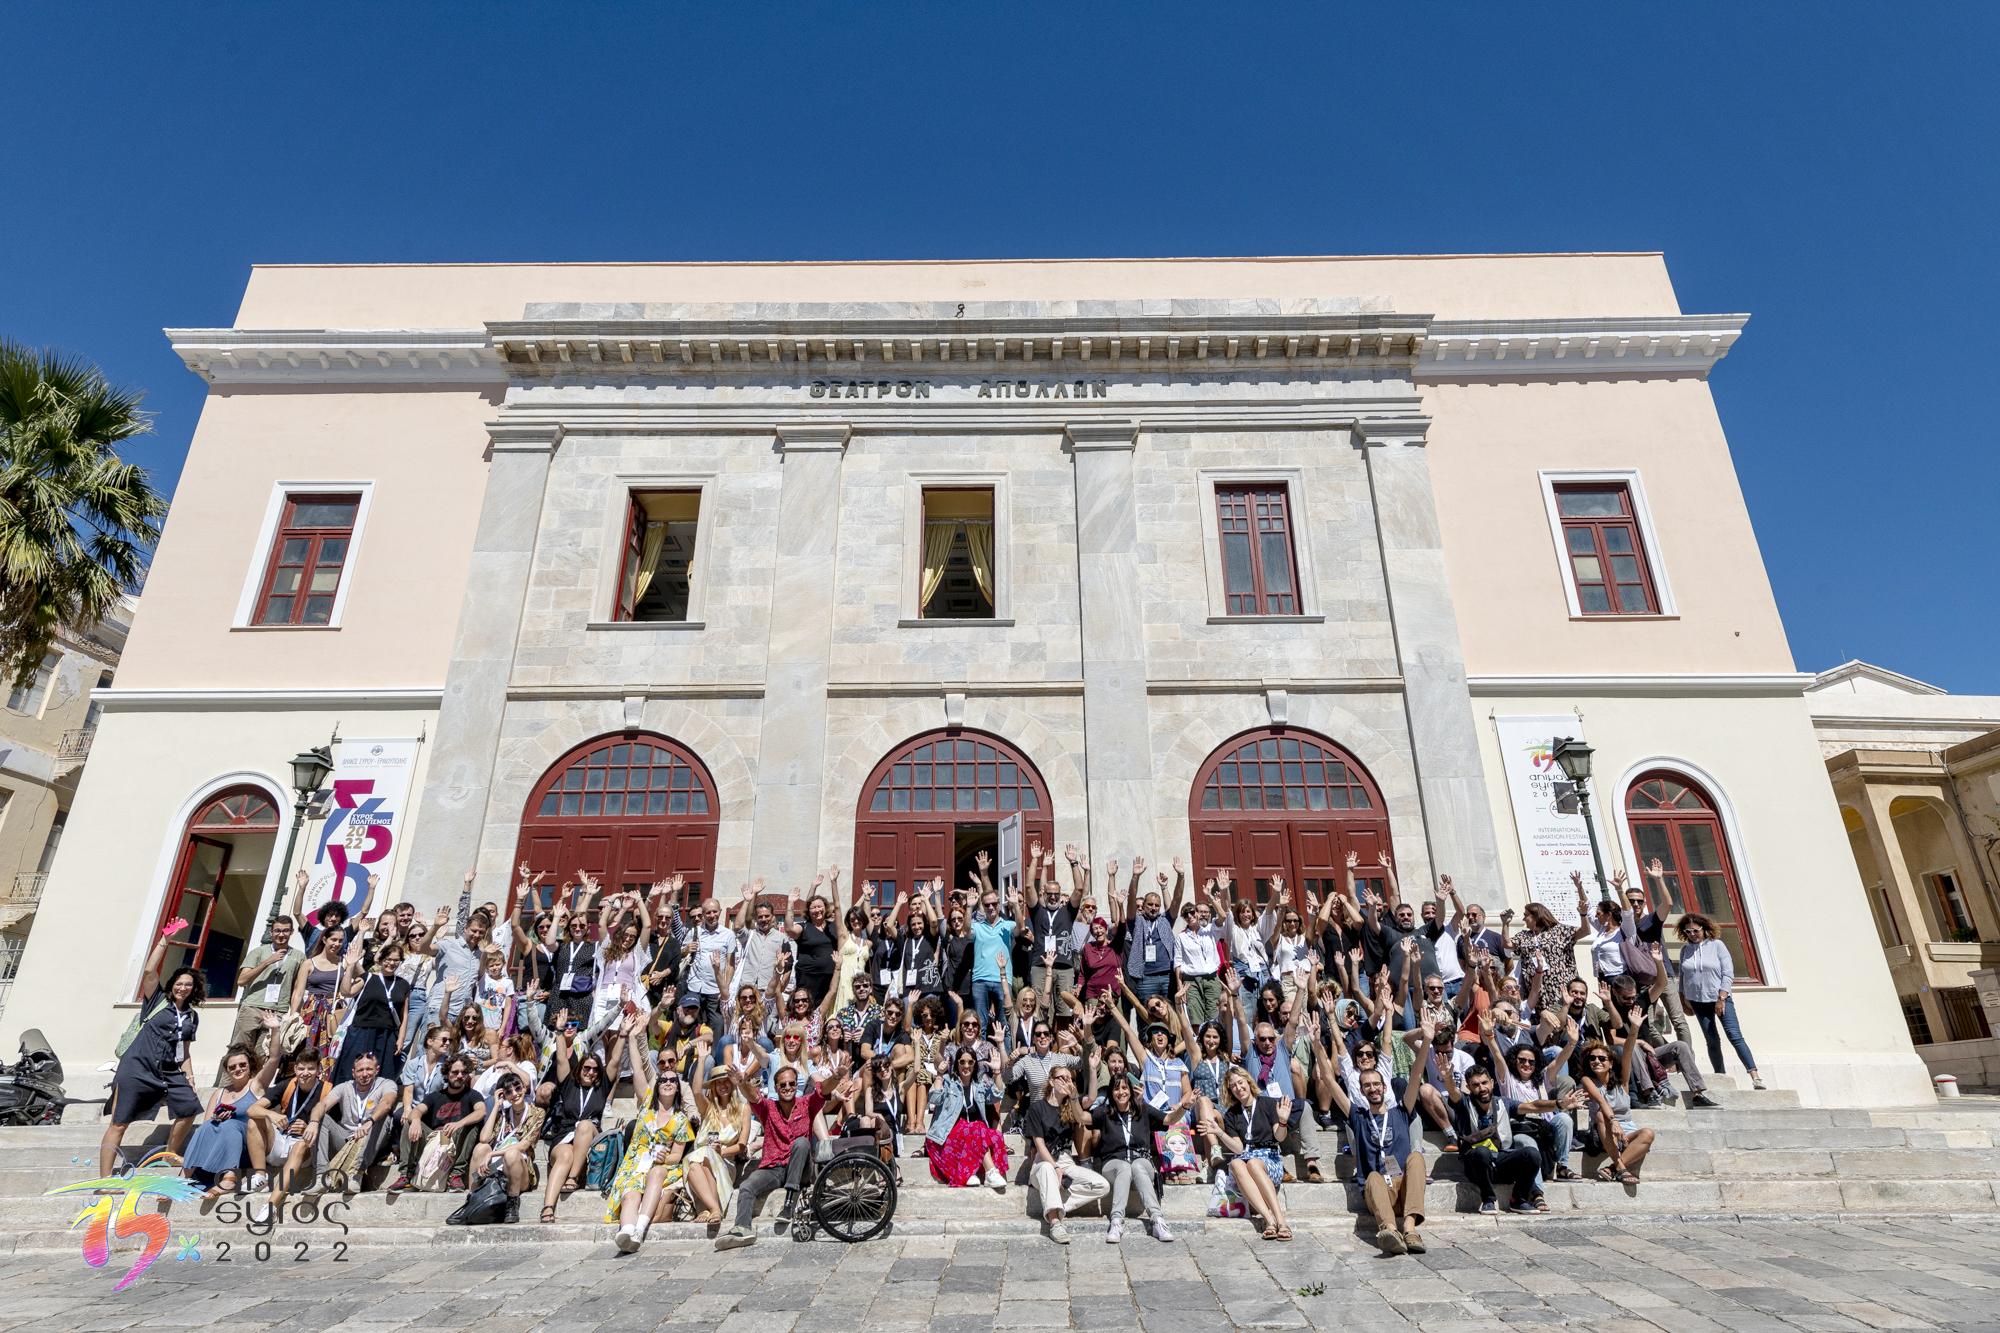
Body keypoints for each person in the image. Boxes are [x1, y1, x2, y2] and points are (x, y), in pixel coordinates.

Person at [99, 922, 205, 1177]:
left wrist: (189, 1077)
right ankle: (104, 1179)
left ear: (194, 988)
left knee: (190, 1107)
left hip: (169, 1070)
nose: (182, 987)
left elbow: (184, 1051)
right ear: (172, 985)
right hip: (136, 1067)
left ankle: (168, 1155)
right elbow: (149, 970)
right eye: (179, 983)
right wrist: (164, 939)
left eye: (188, 984)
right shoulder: (156, 1001)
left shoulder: (191, 1016)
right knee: (119, 1124)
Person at [714, 1049, 849, 1249]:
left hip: (800, 1168)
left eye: (792, 1084)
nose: (788, 1087)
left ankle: (789, 1203)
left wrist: (836, 1077)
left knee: (802, 1143)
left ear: (797, 1085)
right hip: (774, 1168)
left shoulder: (807, 1103)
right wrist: (742, 1083)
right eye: (783, 1085)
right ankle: (742, 1229)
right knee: (747, 1186)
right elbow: (754, 1097)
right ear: (776, 1088)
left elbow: (822, 1089)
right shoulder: (768, 1108)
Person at [1328, 1021, 1435, 1256]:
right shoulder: (1358, 1117)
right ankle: (1389, 1232)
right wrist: (1317, 1045)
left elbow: (1416, 1074)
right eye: (1367, 1086)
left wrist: (1426, 1040)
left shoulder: (1401, 1111)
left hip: (1404, 1186)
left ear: (1385, 1088)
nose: (1373, 1088)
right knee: (1374, 1176)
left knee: (1416, 1157)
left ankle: (1409, 1229)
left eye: (1377, 1084)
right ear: (1362, 1091)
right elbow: (1328, 1081)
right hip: (1380, 1190)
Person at [183, 1017, 285, 1198]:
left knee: (231, 1125)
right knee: (207, 1126)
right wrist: (217, 1120)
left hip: (255, 1148)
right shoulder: (219, 1093)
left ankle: (229, 1179)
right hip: (225, 1149)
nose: (238, 1069)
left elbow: (274, 1059)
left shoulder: (256, 1085)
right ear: (227, 1071)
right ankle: (183, 1179)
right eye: (232, 1067)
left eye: (242, 1065)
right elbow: (206, 1128)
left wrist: (275, 1030)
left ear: (249, 1066)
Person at [1087, 1058, 1183, 1243]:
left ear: (1131, 1091)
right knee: (1124, 1167)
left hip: (1141, 1162)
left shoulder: (1143, 1110)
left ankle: (1157, 1221)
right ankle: (1117, 1221)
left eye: (1125, 1088)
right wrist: (1076, 1095)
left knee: (1137, 1166)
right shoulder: (1104, 1112)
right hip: (1113, 1165)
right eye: (1116, 1088)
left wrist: (1185, 1106)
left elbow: (1170, 1120)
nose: (1121, 1092)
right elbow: (1081, 1117)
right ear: (1111, 1092)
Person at [1202, 1066, 1291, 1241]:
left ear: (1248, 1082)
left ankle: (1280, 1220)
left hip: (1268, 1159)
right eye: (1233, 1086)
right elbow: (1238, 1149)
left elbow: (1279, 1137)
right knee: (1235, 1163)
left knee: (1253, 1163)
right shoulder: (1231, 1115)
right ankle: (1269, 1220)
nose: (1238, 1088)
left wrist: (1282, 1121)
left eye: (1240, 1082)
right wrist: (1220, 1133)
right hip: (1245, 1158)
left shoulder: (1268, 1104)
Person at [1677, 913, 1763, 1088]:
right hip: (1697, 1001)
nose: (1692, 934)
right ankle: (1720, 1076)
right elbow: (1682, 977)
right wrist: (1683, 1001)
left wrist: (1722, 998)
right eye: (1688, 931)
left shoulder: (1717, 945)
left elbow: (1727, 973)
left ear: (1704, 929)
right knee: (1712, 1040)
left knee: (1734, 1035)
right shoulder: (1685, 950)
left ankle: (1755, 1076)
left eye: (1695, 930)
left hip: (1719, 998)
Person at [1023, 1064, 1105, 1244]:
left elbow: (1091, 1098)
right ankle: (1054, 1223)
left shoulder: (1071, 1106)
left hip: (1066, 1159)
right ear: (1051, 1082)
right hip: (1043, 1162)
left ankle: (1057, 1204)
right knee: (1046, 1168)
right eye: (1063, 1078)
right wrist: (1055, 1167)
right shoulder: (1038, 1108)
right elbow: (1039, 1144)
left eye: (1070, 1078)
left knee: (1102, 1185)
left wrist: (1091, 1069)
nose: (1067, 1082)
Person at [1447, 1062, 1543, 1214]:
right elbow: (1453, 1093)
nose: (1482, 1088)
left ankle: (1518, 1200)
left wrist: (1560, 1103)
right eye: (1476, 1085)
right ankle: (1488, 1199)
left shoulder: (1503, 1102)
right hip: (1477, 1165)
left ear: (1492, 1083)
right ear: (1470, 1088)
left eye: (1484, 1083)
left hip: (1501, 1160)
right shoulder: (1464, 1104)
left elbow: (1534, 1107)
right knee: (1481, 1152)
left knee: (1532, 1153)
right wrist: (1447, 1077)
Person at [253, 1045, 332, 1219]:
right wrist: (271, 1114)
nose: (305, 1073)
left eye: (311, 1068)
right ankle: (260, 1175)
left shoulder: (327, 1089)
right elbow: (253, 1109)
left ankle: (270, 1205)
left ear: (319, 1069)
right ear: (295, 1068)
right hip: (282, 1139)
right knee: (254, 1121)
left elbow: (332, 1126)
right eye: (301, 1068)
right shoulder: (288, 1085)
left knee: (300, 1145)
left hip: (306, 1149)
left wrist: (309, 1127)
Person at [221, 915, 303, 1079]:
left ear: (291, 932)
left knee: (260, 1058)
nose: (281, 934)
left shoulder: (298, 956)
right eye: (278, 931)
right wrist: (267, 962)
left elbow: (297, 989)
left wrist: (293, 1015)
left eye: (285, 931)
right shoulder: (259, 952)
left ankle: (251, 1094)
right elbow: (242, 980)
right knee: (238, 1053)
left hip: (276, 1012)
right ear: (271, 933)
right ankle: (225, 1093)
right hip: (253, 1007)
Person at [310, 1050, 401, 1197]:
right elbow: (323, 1105)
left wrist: (369, 1122)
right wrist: (313, 1122)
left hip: (372, 1140)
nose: (364, 1074)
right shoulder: (344, 1087)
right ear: (353, 1073)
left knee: (382, 1117)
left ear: (376, 1070)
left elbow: (387, 1103)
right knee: (321, 1117)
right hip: (347, 1139)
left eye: (369, 1069)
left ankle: (356, 1175)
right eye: (360, 1070)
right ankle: (321, 1177)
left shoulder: (386, 1084)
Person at [466, 1071, 544, 1224]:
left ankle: (512, 1203)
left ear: (524, 1088)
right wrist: (496, 1106)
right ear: (504, 1095)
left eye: (518, 1088)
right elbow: (484, 1138)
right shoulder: (503, 1114)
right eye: (508, 1091)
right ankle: (472, 1197)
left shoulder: (536, 1113)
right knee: (481, 1148)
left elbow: (524, 1145)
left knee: (512, 1154)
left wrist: (493, 1154)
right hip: (498, 1170)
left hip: (520, 1172)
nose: (515, 1094)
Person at [926, 1046, 1007, 1190]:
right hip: (948, 1137)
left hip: (972, 1138)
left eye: (970, 1062)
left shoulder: (979, 1085)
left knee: (995, 1136)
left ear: (975, 1064)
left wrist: (996, 1071)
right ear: (957, 1063)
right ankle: (989, 1172)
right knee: (977, 1127)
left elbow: (996, 1095)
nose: (966, 1066)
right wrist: (939, 1074)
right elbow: (935, 1098)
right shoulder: (948, 1081)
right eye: (962, 1062)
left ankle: (971, 1170)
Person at [1580, 1033, 1655, 1185]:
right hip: (1602, 1133)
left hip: (1626, 1134)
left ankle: (1612, 1168)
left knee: (1648, 1133)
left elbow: (1627, 1052)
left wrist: (1634, 1027)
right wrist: (1613, 1120)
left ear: (1611, 1063)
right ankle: (1621, 1167)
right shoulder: (1587, 1080)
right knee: (1602, 1115)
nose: (1596, 1061)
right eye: (1592, 1058)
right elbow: (1601, 1101)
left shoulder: (1623, 1083)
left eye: (1601, 1058)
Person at [335, 941, 411, 1086]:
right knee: (353, 1073)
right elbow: (346, 992)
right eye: (388, 959)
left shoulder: (403, 984)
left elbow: (404, 1014)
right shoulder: (367, 977)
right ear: (381, 960)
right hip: (361, 1033)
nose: (391, 963)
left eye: (396, 960)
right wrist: (351, 966)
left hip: (387, 1036)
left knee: (380, 1077)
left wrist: (401, 1038)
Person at [389, 1025, 453, 1193]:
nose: (447, 1043)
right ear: (429, 1041)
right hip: (418, 1108)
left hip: (437, 1112)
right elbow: (408, 1090)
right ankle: (405, 1172)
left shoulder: (448, 1064)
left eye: (449, 1040)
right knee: (400, 1116)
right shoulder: (414, 1064)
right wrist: (408, 1109)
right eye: (444, 1039)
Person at [409, 1056, 488, 1192]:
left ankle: (456, 1174)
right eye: (455, 1072)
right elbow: (416, 1110)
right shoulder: (436, 1095)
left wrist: (460, 1123)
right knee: (408, 1123)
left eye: (464, 1072)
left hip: (457, 1140)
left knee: (472, 1124)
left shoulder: (473, 1095)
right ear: (446, 1074)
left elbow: (481, 1111)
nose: (459, 1076)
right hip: (435, 1140)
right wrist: (415, 1120)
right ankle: (406, 1174)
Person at [685, 1065, 751, 1226]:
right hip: (701, 1162)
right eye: (718, 1082)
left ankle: (708, 1208)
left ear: (732, 1083)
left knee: (705, 1155)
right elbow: (696, 1091)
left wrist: (721, 1151)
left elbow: (742, 1145)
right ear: (714, 1087)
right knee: (693, 1164)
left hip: (726, 1162)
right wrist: (701, 1059)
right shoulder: (708, 1109)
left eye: (726, 1081)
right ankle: (715, 1208)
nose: (723, 1085)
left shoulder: (743, 1109)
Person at [288, 925, 359, 1064]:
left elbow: (362, 977)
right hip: (311, 1010)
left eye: (340, 941)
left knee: (330, 1048)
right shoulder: (309, 963)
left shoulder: (342, 962)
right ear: (325, 939)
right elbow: (298, 993)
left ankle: (325, 1081)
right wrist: (292, 1017)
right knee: (306, 1048)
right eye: (334, 940)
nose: (337, 944)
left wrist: (352, 963)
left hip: (333, 1011)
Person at [1123, 860, 1183, 1007]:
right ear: (1144, 905)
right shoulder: (1137, 921)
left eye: (1157, 905)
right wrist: (1135, 877)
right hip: (1145, 978)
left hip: (1167, 976)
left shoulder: (1165, 920)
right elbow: (1130, 901)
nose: (1154, 908)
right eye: (1150, 904)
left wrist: (1181, 875)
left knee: (1171, 1017)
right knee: (1147, 1018)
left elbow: (1177, 899)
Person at [967, 878, 1018, 1036]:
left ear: (999, 904)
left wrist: (1016, 905)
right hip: (980, 980)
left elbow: (1021, 928)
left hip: (1003, 979)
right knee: (979, 1027)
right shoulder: (976, 926)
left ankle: (1008, 1060)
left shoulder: (1008, 925)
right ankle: (980, 1060)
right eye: (987, 905)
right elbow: (965, 932)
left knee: (1005, 1027)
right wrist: (969, 908)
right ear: (983, 906)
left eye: (994, 904)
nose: (991, 907)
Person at [682, 893, 738, 1037]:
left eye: (715, 911)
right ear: (703, 914)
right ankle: (691, 1055)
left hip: (715, 988)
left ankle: (713, 1058)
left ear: (719, 912)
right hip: (694, 986)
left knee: (717, 1024)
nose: (712, 915)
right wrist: (686, 950)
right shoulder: (694, 932)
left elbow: (730, 964)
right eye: (708, 912)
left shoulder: (728, 935)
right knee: (692, 1025)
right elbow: (681, 955)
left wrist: (725, 987)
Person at [1174, 883, 1226, 1026]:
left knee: (1214, 1015)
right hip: (1191, 981)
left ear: (1197, 913)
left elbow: (1223, 915)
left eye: (1192, 912)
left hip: (1211, 978)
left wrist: (1209, 896)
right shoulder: (1182, 937)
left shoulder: (1210, 930)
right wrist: (1180, 987)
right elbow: (1178, 963)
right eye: (1186, 915)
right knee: (1195, 1017)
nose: (1190, 916)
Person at [787, 881, 840, 1008]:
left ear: (825, 908)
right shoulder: (804, 927)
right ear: (808, 911)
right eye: (813, 908)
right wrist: (790, 903)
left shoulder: (834, 927)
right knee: (808, 1010)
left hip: (830, 977)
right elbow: (789, 929)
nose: (817, 910)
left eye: (820, 906)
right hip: (808, 979)